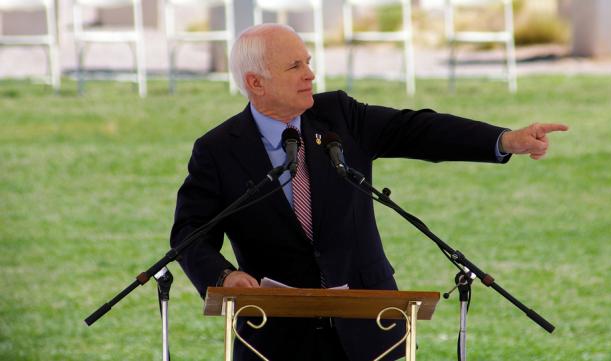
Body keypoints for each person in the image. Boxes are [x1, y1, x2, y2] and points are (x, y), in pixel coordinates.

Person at [170, 23, 568, 361]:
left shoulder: (339, 116)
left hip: (372, 327)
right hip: (274, 337)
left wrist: (503, 140)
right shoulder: (218, 150)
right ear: (256, 82)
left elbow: (416, 130)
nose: (310, 74)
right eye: (295, 66)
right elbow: (190, 233)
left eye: (308, 61)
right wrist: (223, 275)